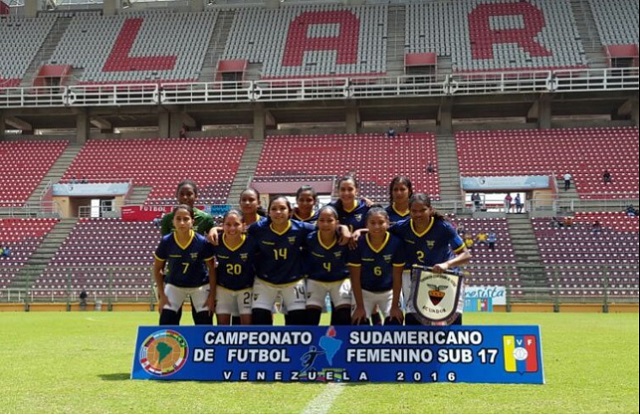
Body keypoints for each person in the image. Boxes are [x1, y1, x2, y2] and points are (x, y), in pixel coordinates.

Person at [247, 196, 349, 325]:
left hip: (293, 281)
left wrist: (343, 228)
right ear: (269, 213)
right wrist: (216, 228)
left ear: (290, 212)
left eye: (282, 208)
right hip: (265, 281)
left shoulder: (302, 229)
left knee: (298, 323)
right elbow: (235, 231)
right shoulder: (257, 228)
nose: (278, 212)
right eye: (274, 209)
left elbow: (327, 227)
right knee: (260, 319)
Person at [384, 193, 471, 326]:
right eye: (414, 211)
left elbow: (466, 255)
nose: (418, 214)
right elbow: (378, 231)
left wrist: (446, 264)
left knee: (450, 321)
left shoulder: (443, 227)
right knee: (414, 322)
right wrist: (357, 231)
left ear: (430, 209)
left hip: (445, 278)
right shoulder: (402, 227)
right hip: (419, 281)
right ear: (409, 211)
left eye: (422, 210)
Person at [153, 204, 216, 325]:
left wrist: (211, 297)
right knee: (166, 320)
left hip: (199, 285)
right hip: (175, 285)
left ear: (192, 221)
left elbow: (212, 269)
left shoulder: (202, 242)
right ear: (173, 221)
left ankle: (201, 345)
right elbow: (157, 269)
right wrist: (162, 296)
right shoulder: (166, 241)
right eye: (178, 219)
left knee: (204, 322)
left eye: (186, 219)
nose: (182, 223)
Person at [349, 207, 404, 326]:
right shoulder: (358, 243)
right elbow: (355, 278)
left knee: (395, 323)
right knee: (359, 323)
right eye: (372, 223)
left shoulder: (396, 243)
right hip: (365, 292)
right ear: (366, 224)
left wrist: (395, 306)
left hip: (389, 292)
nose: (377, 226)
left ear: (388, 223)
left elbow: (397, 276)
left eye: (381, 222)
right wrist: (359, 307)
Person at [303, 205, 352, 326]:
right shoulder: (309, 239)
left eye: (330, 220)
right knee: (310, 318)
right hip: (316, 280)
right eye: (322, 220)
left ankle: (340, 344)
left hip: (340, 280)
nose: (325, 224)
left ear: (337, 223)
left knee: (344, 316)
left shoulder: (344, 239)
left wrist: (345, 229)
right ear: (317, 222)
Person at [211, 209, 257, 325]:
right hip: (223, 288)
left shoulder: (251, 242)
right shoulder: (216, 241)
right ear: (222, 225)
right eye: (228, 224)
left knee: (247, 327)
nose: (232, 228)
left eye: (236, 224)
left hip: (245, 288)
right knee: (223, 328)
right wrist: (214, 229)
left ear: (244, 226)